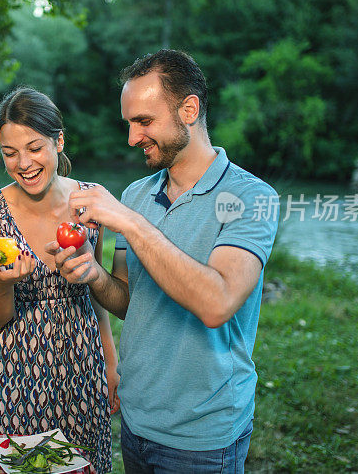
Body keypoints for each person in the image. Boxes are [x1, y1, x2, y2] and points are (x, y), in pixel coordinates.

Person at [47, 50, 279, 473]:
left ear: (189, 110)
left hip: (202, 434)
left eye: (145, 121)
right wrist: (92, 273)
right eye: (129, 123)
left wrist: (130, 223)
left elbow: (218, 301)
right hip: (136, 421)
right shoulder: (137, 194)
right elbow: (129, 300)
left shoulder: (252, 198)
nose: (132, 138)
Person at [0, 87, 117, 473]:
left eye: (35, 148)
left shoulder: (92, 200)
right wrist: (3, 284)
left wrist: (110, 358)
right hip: (16, 373)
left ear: (58, 140)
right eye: (9, 152)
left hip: (82, 367)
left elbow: (97, 292)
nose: (23, 163)